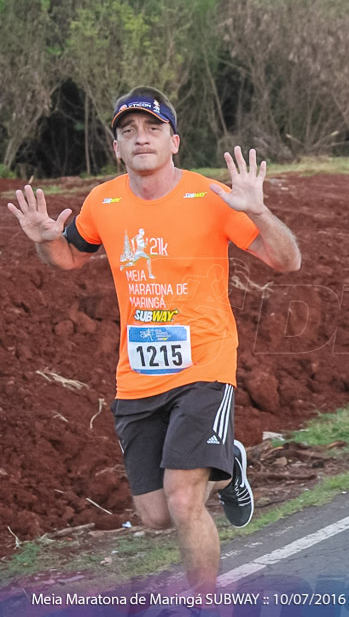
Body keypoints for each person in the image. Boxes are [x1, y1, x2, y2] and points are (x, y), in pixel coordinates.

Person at [7, 87, 302, 591]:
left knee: (185, 499)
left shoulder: (210, 197)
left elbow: (287, 260)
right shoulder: (103, 201)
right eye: (128, 131)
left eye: (152, 128)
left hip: (204, 365)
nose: (140, 138)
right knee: (157, 515)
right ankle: (229, 461)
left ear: (174, 141)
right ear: (116, 148)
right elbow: (69, 259)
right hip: (139, 374)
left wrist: (256, 211)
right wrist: (47, 241)